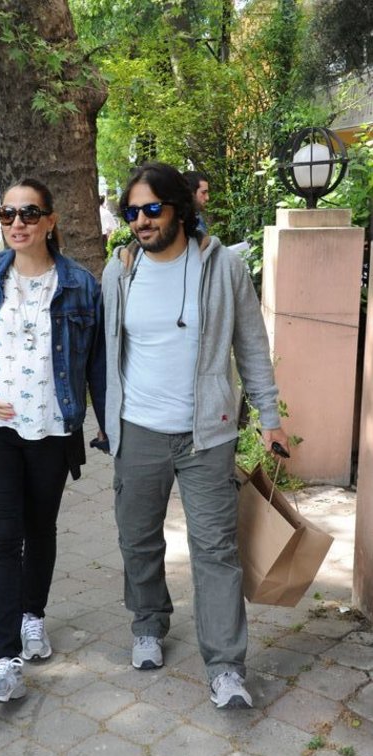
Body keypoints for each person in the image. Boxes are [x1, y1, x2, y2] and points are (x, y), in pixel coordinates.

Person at [101, 161, 289, 710]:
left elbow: (251, 345)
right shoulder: (120, 271)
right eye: (132, 212)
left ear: (179, 209)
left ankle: (226, 666)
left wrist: (270, 416)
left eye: (151, 209)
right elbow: (106, 350)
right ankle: (148, 623)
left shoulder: (224, 267)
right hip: (138, 429)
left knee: (216, 549)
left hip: (207, 434)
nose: (141, 221)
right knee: (137, 537)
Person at [0, 176, 106, 704]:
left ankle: (33, 614)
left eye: (30, 213)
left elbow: (96, 364)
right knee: (2, 540)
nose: (17, 223)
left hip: (51, 427)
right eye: (7, 214)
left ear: (50, 221)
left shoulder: (80, 284)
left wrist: (109, 427)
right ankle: (4, 659)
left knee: (40, 528)